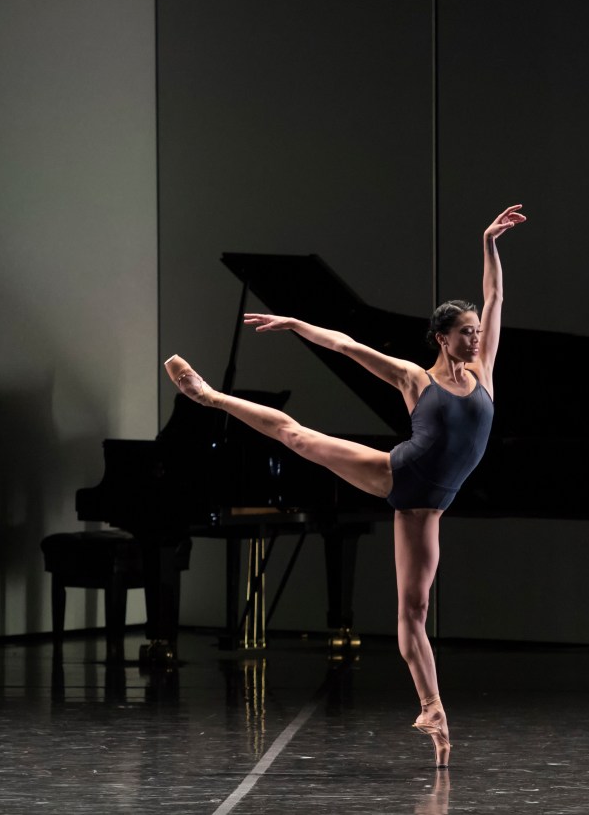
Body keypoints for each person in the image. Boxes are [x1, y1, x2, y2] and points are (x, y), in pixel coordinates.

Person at [164, 203, 527, 768]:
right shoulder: (414, 378)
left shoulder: (484, 374)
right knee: (298, 437)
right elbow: (348, 346)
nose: (476, 338)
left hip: (429, 507)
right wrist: (295, 326)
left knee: (414, 611)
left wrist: (490, 244)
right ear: (440, 338)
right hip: (397, 474)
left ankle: (433, 711)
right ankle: (208, 397)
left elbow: (497, 297)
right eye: (464, 332)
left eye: (477, 331)